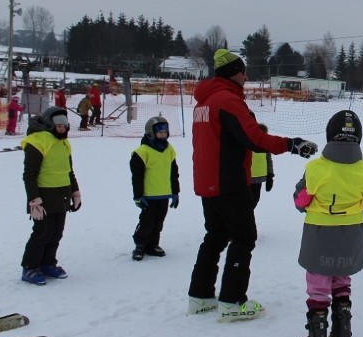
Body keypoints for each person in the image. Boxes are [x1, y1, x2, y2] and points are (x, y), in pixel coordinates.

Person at [187, 49, 318, 322]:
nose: (246, 77)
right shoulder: (227, 100)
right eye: (243, 71)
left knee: (215, 236)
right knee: (244, 237)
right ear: (233, 72)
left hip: (207, 181)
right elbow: (255, 138)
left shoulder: (205, 102)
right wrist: (291, 144)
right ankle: (233, 301)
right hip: (229, 181)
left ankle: (200, 297)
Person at [293, 110, 363, 337]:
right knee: (342, 280)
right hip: (350, 234)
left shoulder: (315, 168)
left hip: (319, 233)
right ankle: (343, 336)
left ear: (330, 136)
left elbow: (301, 201)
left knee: (318, 284)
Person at [19, 107, 82, 285]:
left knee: (56, 232)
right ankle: (30, 267)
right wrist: (33, 200)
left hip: (61, 193)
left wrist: (75, 192)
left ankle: (48, 263)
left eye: (65, 125)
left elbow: (69, 171)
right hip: (43, 195)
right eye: (58, 125)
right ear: (49, 123)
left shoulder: (64, 143)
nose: (62, 129)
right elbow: (29, 174)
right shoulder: (38, 141)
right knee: (42, 233)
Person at [130, 116, 180, 261]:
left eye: (165, 132)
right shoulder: (142, 152)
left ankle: (153, 244)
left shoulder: (169, 150)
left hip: (164, 194)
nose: (163, 135)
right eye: (160, 133)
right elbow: (137, 177)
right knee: (147, 222)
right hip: (148, 195)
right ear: (151, 133)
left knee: (158, 222)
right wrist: (138, 195)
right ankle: (140, 245)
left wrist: (175, 192)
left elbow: (174, 173)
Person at [249, 123, 274, 209]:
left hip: (259, 178)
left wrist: (270, 176)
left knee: (254, 201)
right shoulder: (247, 142)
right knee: (245, 203)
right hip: (246, 177)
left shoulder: (265, 144)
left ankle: (245, 220)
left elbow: (268, 160)